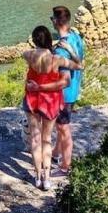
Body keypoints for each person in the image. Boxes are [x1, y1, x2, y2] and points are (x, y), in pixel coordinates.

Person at [22, 26, 81, 190]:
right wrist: (70, 49)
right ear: (49, 39)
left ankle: (38, 176)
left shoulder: (28, 55)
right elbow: (79, 66)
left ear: (34, 41)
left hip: (32, 100)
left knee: (35, 139)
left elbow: (24, 54)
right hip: (50, 102)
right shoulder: (57, 60)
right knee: (46, 139)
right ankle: (47, 179)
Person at [50, 6, 84, 177]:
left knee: (63, 129)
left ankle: (65, 167)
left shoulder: (61, 50)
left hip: (64, 95)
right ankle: (55, 154)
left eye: (52, 18)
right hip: (74, 90)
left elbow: (65, 80)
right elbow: (79, 64)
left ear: (55, 21)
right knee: (60, 126)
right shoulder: (76, 37)